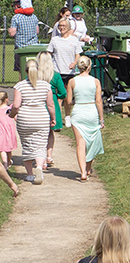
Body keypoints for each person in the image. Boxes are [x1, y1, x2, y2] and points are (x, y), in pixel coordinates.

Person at [9, 56, 56, 184]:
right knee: (41, 144)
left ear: (25, 71)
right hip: (41, 117)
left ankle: (30, 174)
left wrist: (11, 115)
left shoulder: (20, 86)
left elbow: (17, 105)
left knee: (27, 144)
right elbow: (50, 104)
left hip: (25, 118)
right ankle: (39, 167)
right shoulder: (46, 85)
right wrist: (53, 118)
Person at [66, 54, 104, 182]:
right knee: (92, 141)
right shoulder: (95, 81)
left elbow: (69, 100)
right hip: (91, 111)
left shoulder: (72, 81)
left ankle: (82, 172)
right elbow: (98, 101)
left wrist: (67, 114)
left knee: (80, 143)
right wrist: (101, 118)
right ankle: (87, 168)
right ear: (89, 67)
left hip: (78, 111)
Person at [35, 50, 66, 172]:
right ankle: (49, 155)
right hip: (51, 102)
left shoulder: (34, 75)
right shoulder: (55, 75)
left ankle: (37, 156)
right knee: (49, 132)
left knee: (38, 133)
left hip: (37, 102)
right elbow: (63, 92)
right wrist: (58, 98)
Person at [7, 0, 39, 75]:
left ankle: (22, 85)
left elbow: (12, 33)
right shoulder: (34, 17)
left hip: (21, 47)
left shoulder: (16, 18)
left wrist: (9, 30)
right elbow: (37, 31)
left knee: (22, 70)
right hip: (33, 47)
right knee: (34, 69)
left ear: (17, 6)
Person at [47, 17, 83, 86]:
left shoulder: (74, 40)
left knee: (68, 94)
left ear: (68, 26)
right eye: (60, 26)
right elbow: (49, 54)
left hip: (70, 72)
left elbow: (77, 54)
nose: (61, 28)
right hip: (57, 71)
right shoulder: (54, 40)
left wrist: (74, 63)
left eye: (64, 26)